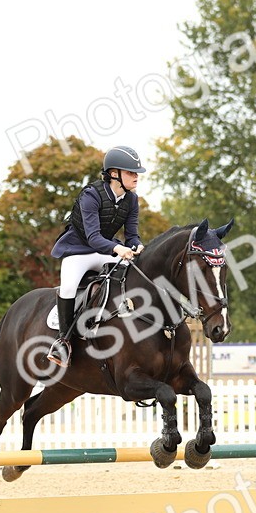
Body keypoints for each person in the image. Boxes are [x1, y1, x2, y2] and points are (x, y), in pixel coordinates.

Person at [47, 145, 147, 367]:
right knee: (68, 287)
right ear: (114, 174)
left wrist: (137, 246)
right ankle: (63, 342)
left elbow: (132, 235)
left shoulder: (131, 200)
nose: (136, 177)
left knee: (135, 270)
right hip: (78, 250)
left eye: (136, 173)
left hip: (107, 251)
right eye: (130, 172)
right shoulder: (91, 195)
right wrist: (118, 249)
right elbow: (93, 238)